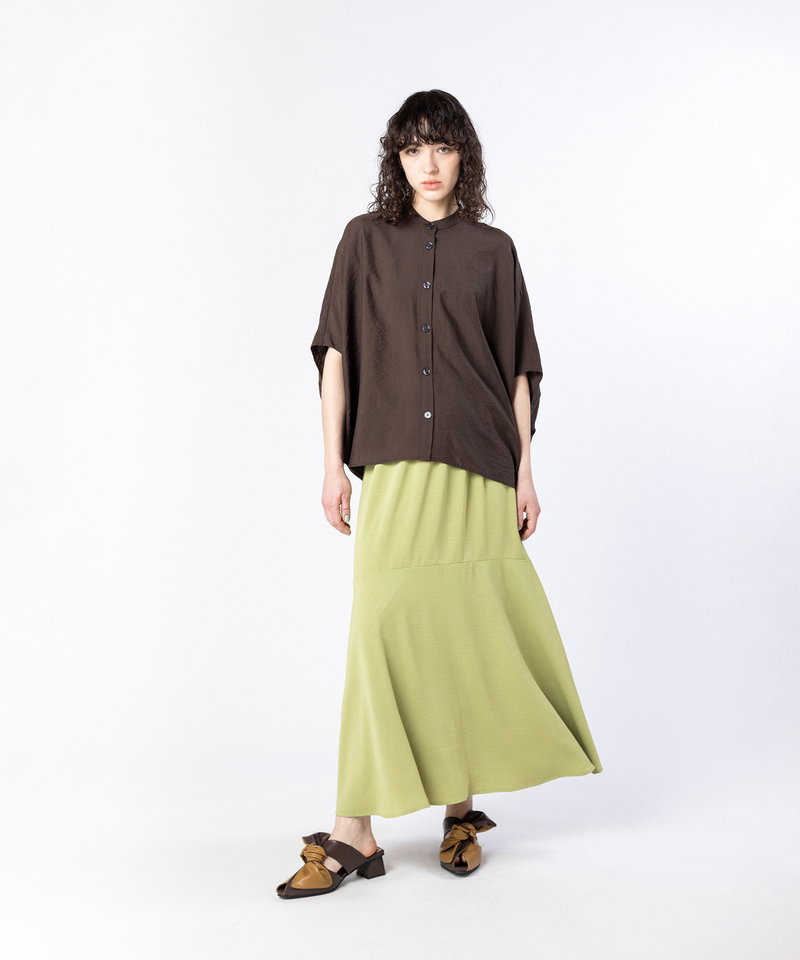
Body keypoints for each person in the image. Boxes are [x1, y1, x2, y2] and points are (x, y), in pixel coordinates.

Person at [276, 89, 603, 899]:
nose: (429, 163)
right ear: (396, 157)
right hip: (393, 465)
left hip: (479, 465)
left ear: (465, 156)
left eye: (444, 146)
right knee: (381, 632)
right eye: (414, 147)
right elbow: (336, 356)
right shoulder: (364, 241)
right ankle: (356, 830)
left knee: (466, 635)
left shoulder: (493, 251)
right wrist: (330, 465)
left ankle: (460, 811)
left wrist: (525, 472)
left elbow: (517, 369)